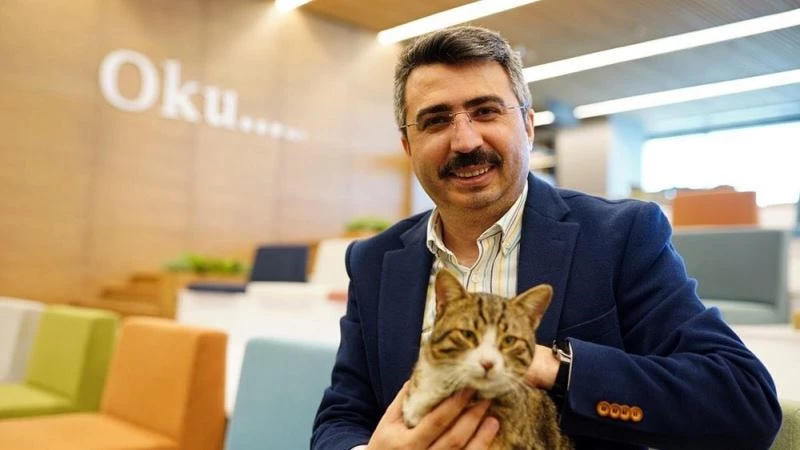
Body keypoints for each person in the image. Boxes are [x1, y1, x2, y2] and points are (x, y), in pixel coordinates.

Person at [312, 26, 781, 450]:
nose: (466, 141)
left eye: (486, 111)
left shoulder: (620, 236)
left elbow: (743, 401)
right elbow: (341, 417)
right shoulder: (374, 261)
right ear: (407, 146)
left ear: (528, 126)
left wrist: (555, 368)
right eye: (435, 120)